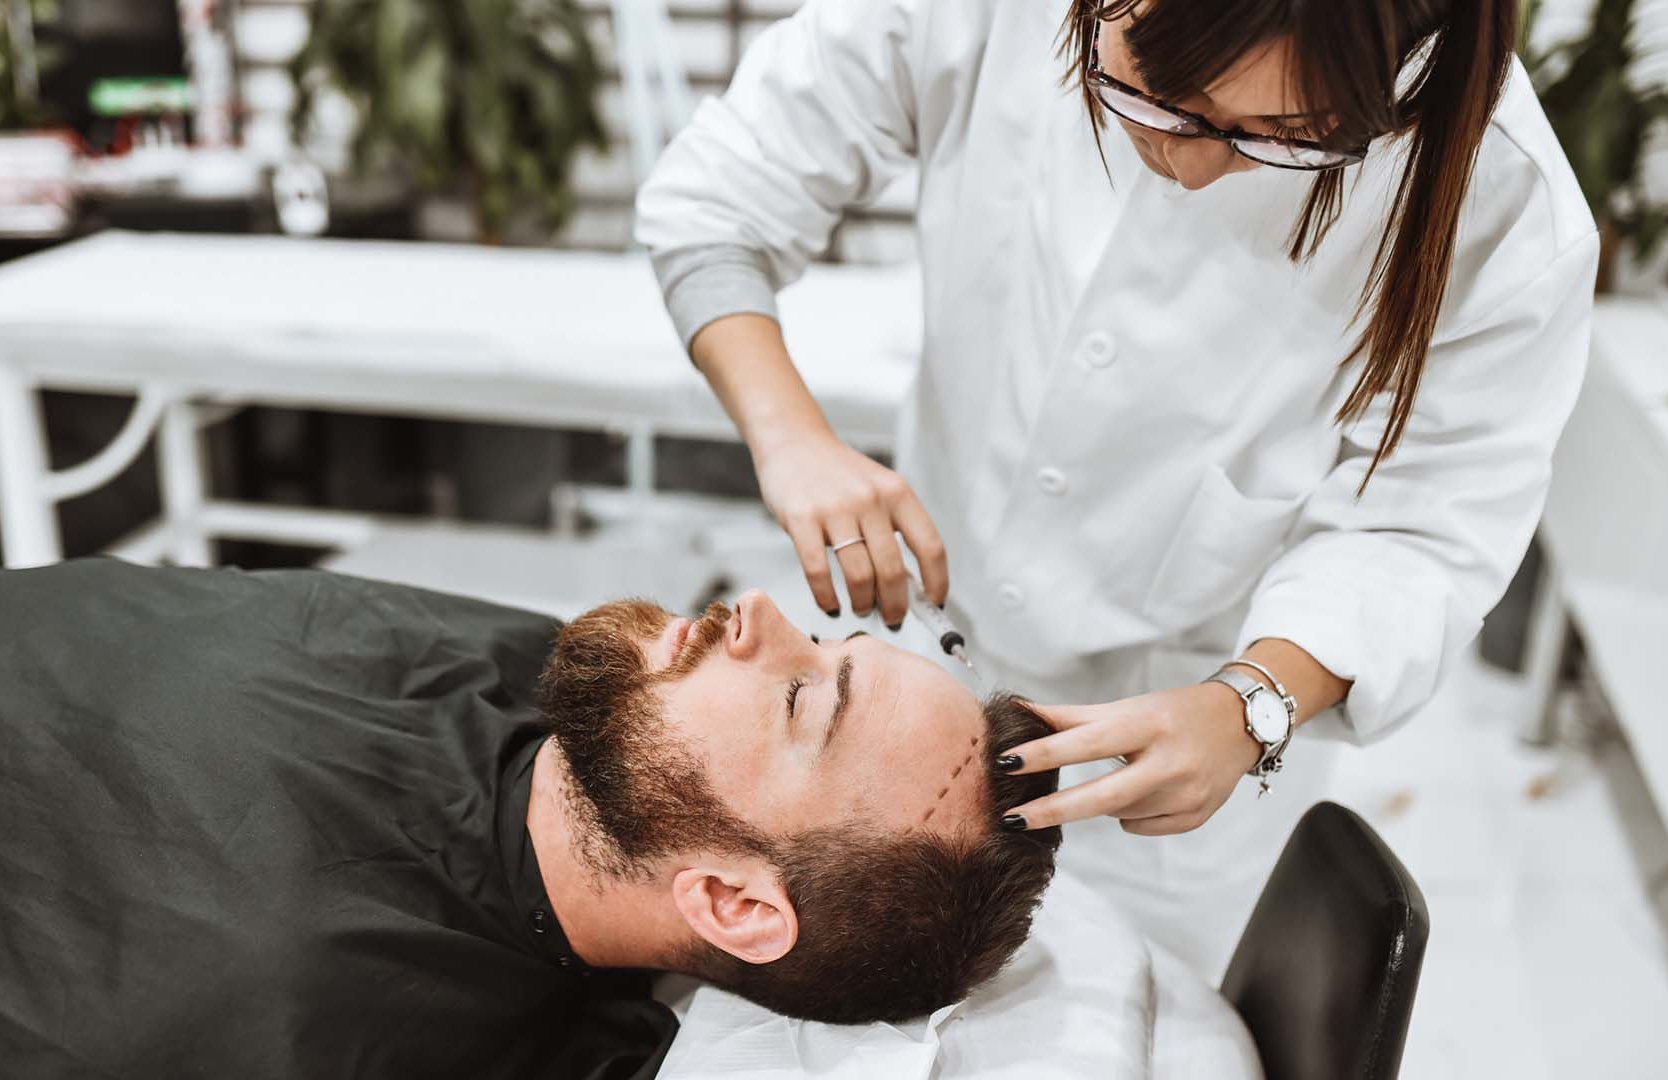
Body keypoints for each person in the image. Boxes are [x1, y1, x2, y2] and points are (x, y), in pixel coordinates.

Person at [637, 0, 1595, 970]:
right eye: (1147, 95)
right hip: (934, 632)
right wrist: (792, 440)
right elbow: (719, 198)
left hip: (1183, 755)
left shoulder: (1507, 201)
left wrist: (1247, 706)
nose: (1188, 164)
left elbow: (1424, 528)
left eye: (1282, 136)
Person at [0, 523, 1059, 1079]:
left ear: (730, 901)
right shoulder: (583, 691)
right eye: (826, 645)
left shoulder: (324, 1016)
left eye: (800, 701)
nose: (762, 615)